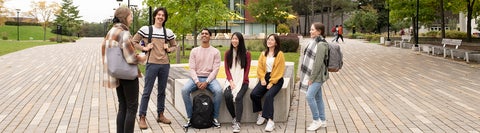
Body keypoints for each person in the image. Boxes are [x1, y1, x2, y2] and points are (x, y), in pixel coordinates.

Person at [101, 6, 146, 133]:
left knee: (123, 107)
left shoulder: (111, 32)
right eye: (131, 16)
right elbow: (131, 58)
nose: (132, 19)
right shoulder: (124, 33)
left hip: (117, 73)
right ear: (124, 17)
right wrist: (143, 57)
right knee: (131, 108)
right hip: (128, 75)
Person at [131, 7, 177, 128]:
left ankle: (160, 115)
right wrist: (144, 48)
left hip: (165, 65)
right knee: (147, 91)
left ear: (165, 18)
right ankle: (142, 117)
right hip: (151, 64)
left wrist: (169, 49)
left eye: (163, 15)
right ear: (155, 16)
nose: (161, 17)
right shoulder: (146, 29)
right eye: (159, 15)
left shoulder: (169, 32)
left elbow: (174, 46)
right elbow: (133, 42)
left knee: (162, 92)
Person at [182, 28, 222, 128]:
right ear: (200, 36)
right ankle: (190, 118)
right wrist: (196, 81)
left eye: (206, 34)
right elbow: (191, 68)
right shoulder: (194, 51)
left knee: (218, 91)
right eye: (202, 33)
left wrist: (207, 82)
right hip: (195, 78)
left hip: (210, 79)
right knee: (184, 90)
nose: (204, 35)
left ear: (210, 36)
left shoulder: (215, 52)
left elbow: (215, 70)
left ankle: (214, 117)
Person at [250, 34, 285, 132]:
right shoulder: (263, 54)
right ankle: (261, 114)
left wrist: (272, 82)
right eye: (268, 39)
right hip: (265, 77)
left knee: (269, 96)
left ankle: (270, 121)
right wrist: (262, 78)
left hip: (277, 79)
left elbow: (279, 70)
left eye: (272, 40)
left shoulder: (280, 54)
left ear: (276, 43)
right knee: (254, 94)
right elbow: (260, 68)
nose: (269, 41)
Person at [300, 22, 329, 131]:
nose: (310, 31)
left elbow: (318, 63)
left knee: (309, 96)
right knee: (318, 97)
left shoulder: (321, 44)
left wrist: (311, 78)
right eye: (311, 29)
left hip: (317, 76)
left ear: (319, 31)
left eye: (312, 30)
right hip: (314, 74)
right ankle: (323, 120)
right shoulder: (313, 42)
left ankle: (316, 120)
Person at [223, 32, 251, 132]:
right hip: (231, 80)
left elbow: (247, 70)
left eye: (236, 39)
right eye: (233, 39)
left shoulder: (247, 54)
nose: (234, 41)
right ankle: (234, 118)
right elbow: (226, 69)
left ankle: (238, 123)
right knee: (227, 95)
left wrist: (240, 83)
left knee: (239, 97)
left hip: (243, 81)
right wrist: (231, 81)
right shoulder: (227, 53)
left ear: (240, 40)